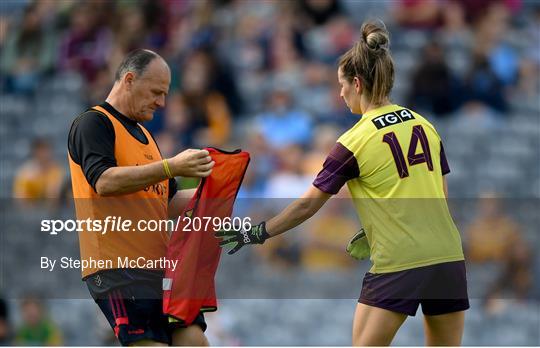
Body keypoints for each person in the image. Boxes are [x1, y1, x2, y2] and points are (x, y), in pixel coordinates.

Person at [217, 21, 469, 346]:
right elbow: (438, 198)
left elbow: (308, 204)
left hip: (400, 260)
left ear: (357, 83)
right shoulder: (426, 126)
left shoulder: (354, 140)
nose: (340, 93)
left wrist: (258, 233)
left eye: (342, 85)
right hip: (447, 257)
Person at [68, 49, 214, 346]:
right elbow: (104, 181)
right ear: (130, 80)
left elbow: (169, 202)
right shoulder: (93, 123)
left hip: (160, 269)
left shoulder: (147, 138)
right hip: (117, 268)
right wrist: (170, 165)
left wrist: (216, 193)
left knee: (195, 342)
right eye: (156, 92)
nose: (161, 103)